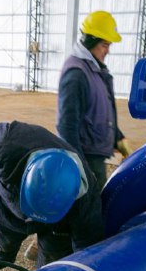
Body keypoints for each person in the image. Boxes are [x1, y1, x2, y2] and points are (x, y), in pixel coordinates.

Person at [0, 121, 105, 271]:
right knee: (4, 226)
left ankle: (45, 266)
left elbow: (87, 244)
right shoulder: (3, 144)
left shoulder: (85, 200)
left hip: (57, 222)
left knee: (55, 260)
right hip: (11, 200)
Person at [57, 10, 133, 194]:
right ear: (91, 41)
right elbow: (66, 126)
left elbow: (99, 110)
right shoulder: (76, 74)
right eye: (105, 45)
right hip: (86, 158)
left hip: (95, 156)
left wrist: (117, 136)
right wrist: (80, 166)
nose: (107, 50)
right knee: (89, 213)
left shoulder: (93, 69)